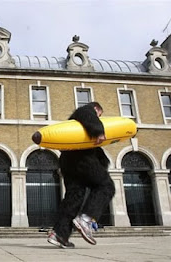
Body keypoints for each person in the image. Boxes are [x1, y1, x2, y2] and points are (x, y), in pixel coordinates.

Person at [34, 102, 115, 248]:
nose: (99, 118)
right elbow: (85, 113)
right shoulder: (86, 111)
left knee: (74, 197)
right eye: (100, 115)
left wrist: (104, 162)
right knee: (106, 186)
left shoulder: (78, 128)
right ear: (97, 110)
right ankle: (86, 219)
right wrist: (98, 131)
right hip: (82, 159)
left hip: (67, 162)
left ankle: (59, 234)